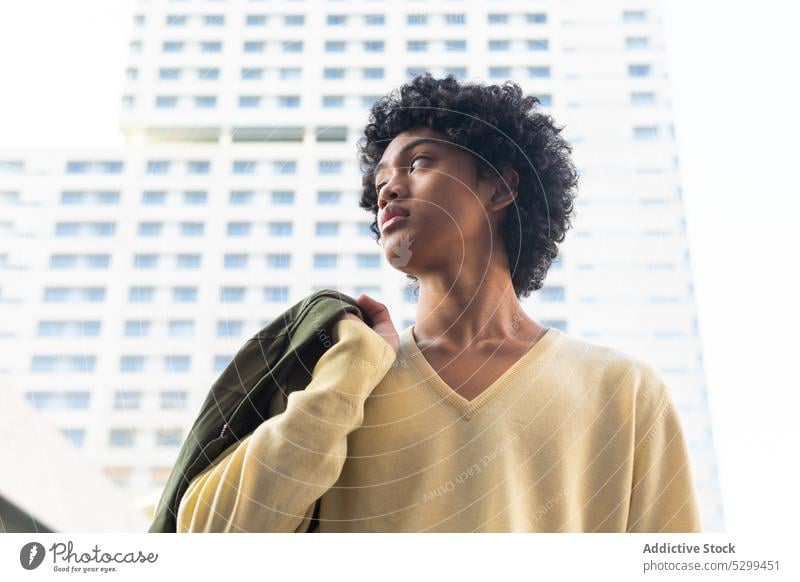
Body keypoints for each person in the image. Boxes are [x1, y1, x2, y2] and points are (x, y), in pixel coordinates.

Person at [177, 74, 702, 533]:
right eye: (380, 180)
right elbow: (206, 539)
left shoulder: (624, 391)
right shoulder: (341, 376)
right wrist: (346, 381)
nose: (388, 190)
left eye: (418, 162)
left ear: (499, 189)